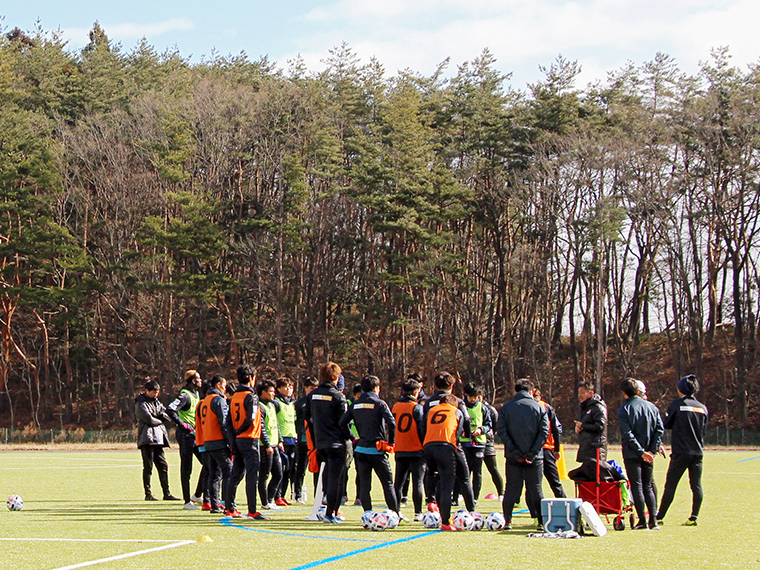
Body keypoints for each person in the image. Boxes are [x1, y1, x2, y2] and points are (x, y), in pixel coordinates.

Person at [339, 375, 400, 518]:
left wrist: (353, 438)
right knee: (388, 483)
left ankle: (368, 514)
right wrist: (391, 442)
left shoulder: (356, 404)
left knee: (365, 485)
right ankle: (395, 514)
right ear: (376, 388)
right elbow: (392, 423)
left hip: (360, 451)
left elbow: (342, 423)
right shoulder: (380, 403)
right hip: (377, 450)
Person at [656, 374, 708, 526]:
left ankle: (659, 516)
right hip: (697, 452)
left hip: (680, 452)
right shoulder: (702, 408)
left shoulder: (677, 404)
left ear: (681, 389)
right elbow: (703, 430)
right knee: (696, 485)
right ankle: (694, 517)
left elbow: (666, 423)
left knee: (671, 484)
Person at [497, 378, 548, 531]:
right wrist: (533, 452)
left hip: (513, 456)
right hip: (535, 457)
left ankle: (508, 521)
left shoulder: (506, 408)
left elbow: (502, 432)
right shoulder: (539, 408)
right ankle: (540, 522)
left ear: (516, 391)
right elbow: (544, 432)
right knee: (536, 489)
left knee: (511, 489)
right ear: (531, 391)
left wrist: (514, 450)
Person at [422, 372, 476, 513]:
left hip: (430, 443)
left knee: (433, 474)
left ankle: (432, 501)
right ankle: (471, 511)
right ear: (451, 386)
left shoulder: (428, 403)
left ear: (435, 386)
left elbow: (422, 424)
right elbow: (467, 419)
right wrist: (467, 436)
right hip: (451, 443)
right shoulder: (457, 402)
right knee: (462, 478)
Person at [304, 361, 348, 524]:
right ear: (336, 378)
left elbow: (307, 417)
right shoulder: (338, 396)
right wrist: (349, 438)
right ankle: (331, 512)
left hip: (320, 442)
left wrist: (316, 436)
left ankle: (320, 509)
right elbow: (343, 422)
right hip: (336, 442)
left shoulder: (312, 395)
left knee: (322, 476)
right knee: (335, 478)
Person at [618, 377, 664, 530]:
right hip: (649, 453)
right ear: (638, 391)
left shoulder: (624, 410)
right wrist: (651, 450)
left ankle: (643, 521)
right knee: (648, 485)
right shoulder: (652, 407)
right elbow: (659, 430)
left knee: (636, 486)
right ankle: (654, 520)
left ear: (624, 393)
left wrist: (641, 451)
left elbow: (627, 434)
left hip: (633, 453)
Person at [226, 365, 270, 520]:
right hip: (250, 438)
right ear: (251, 378)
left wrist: (234, 438)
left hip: (238, 440)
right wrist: (241, 432)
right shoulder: (251, 397)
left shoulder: (234, 397)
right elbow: (250, 418)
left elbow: (228, 422)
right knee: (252, 474)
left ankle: (230, 507)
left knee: (236, 472)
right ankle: (252, 510)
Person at [422, 393, 467, 531]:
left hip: (428, 446)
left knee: (432, 474)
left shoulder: (431, 410)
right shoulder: (456, 411)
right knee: (448, 483)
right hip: (445, 446)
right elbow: (457, 433)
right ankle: (446, 521)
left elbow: (423, 427)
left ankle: (431, 500)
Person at [135, 379, 180, 502]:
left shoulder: (157, 402)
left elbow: (166, 415)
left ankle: (167, 493)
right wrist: (159, 419)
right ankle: (148, 494)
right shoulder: (141, 403)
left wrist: (160, 418)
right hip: (147, 438)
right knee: (148, 467)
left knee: (163, 467)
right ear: (147, 391)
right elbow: (148, 419)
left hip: (158, 438)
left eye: (157, 392)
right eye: (154, 392)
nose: (156, 394)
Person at [166, 370, 205, 510]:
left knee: (207, 463)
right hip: (186, 435)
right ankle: (187, 501)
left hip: (196, 435)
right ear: (193, 380)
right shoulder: (185, 395)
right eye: (198, 378)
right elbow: (170, 409)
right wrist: (182, 424)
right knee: (186, 467)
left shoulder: (196, 394)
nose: (201, 380)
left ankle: (198, 494)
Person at [198, 374, 234, 514]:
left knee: (214, 474)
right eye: (224, 385)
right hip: (219, 441)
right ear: (218, 384)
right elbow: (224, 423)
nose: (225, 388)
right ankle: (226, 503)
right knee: (228, 471)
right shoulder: (218, 400)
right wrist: (230, 441)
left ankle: (214, 504)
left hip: (208, 441)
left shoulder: (204, 401)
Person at [392, 377, 426, 520]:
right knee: (417, 481)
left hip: (400, 449)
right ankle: (418, 513)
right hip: (416, 449)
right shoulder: (417, 407)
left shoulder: (395, 406)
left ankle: (395, 511)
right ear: (416, 392)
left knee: (398, 482)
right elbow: (421, 428)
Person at [461, 383, 492, 502]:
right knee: (464, 471)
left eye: (475, 396)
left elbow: (489, 424)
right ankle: (462, 495)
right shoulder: (461, 407)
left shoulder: (482, 407)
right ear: (466, 395)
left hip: (479, 443)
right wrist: (462, 432)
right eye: (471, 396)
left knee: (477, 472)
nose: (473, 399)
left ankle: (475, 498)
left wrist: (481, 430)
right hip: (464, 443)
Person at [257, 379, 284, 510]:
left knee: (278, 473)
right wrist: (267, 444)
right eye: (271, 391)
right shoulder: (260, 407)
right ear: (263, 392)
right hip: (264, 446)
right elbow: (261, 427)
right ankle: (264, 502)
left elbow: (276, 423)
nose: (274, 394)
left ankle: (269, 499)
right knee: (264, 474)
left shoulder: (272, 405)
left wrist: (280, 440)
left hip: (274, 445)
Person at [534, 389, 566, 498]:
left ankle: (534, 509)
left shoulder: (524, 407)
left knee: (533, 484)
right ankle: (564, 502)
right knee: (555, 481)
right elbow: (556, 429)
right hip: (547, 448)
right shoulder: (546, 407)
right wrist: (556, 448)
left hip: (532, 449)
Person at [293, 376, 319, 504]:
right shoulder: (299, 403)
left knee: (317, 468)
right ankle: (298, 494)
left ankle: (318, 495)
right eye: (311, 388)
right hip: (303, 439)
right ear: (305, 388)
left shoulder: (318, 402)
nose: (314, 391)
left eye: (316, 388)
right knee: (301, 468)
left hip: (316, 440)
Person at [274, 377, 298, 506]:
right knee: (281, 469)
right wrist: (279, 439)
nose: (289, 389)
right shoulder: (276, 403)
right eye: (285, 387)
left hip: (292, 440)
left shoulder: (291, 404)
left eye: (290, 387)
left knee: (289, 470)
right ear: (279, 389)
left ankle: (281, 495)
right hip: (281, 441)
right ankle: (276, 495)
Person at [574, 381, 608, 463]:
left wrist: (583, 426)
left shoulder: (598, 407)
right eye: (579, 393)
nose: (580, 395)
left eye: (582, 393)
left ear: (591, 393)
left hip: (595, 448)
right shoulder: (584, 407)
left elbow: (600, 426)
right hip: (586, 447)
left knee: (595, 475)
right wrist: (578, 428)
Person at [482, 399, 504, 501]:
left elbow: (495, 425)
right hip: (473, 443)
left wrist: (490, 436)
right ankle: (462, 494)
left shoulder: (490, 409)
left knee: (493, 469)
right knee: (469, 471)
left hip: (487, 443)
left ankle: (501, 493)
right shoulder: (468, 406)